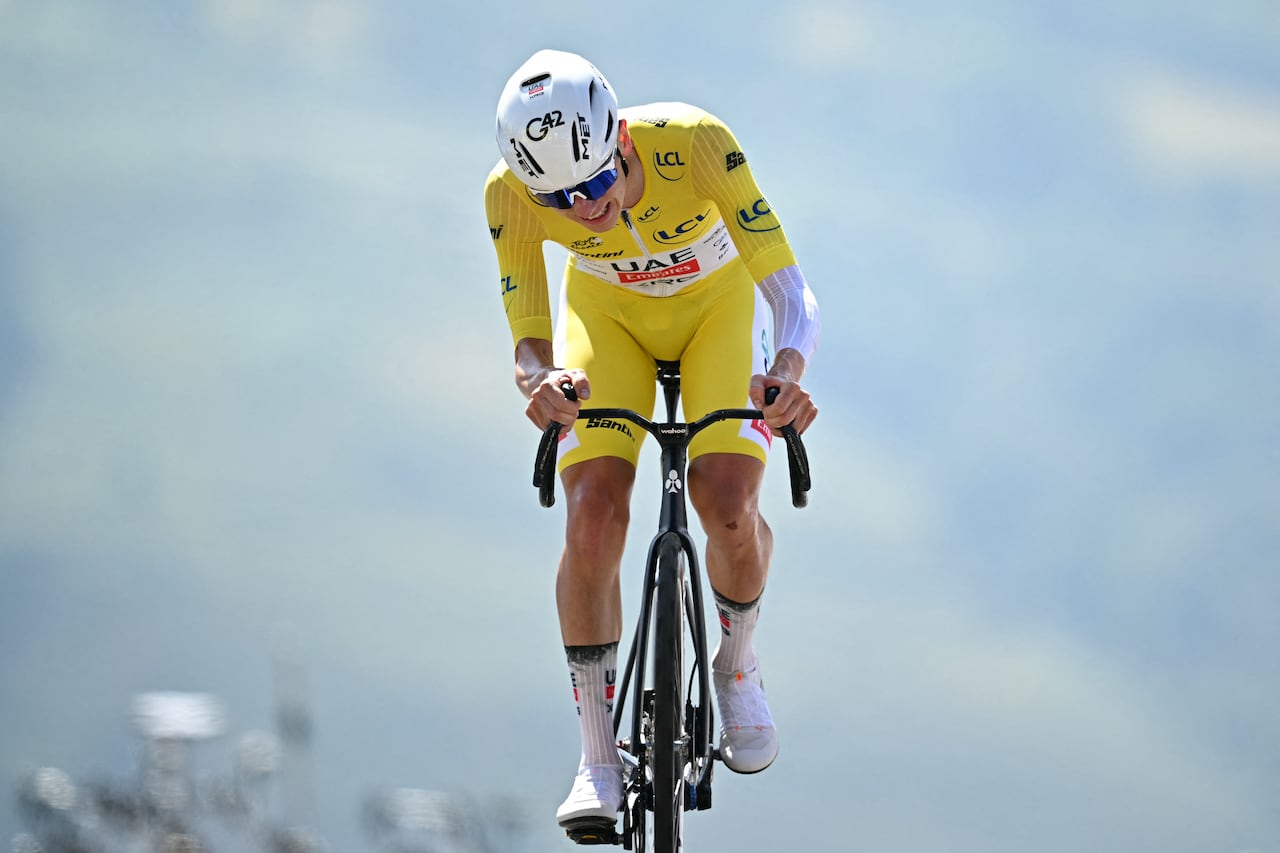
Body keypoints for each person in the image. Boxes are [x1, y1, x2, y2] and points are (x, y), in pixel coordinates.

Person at [484, 49, 821, 831]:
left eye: (598, 182)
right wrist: (537, 381)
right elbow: (530, 338)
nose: (586, 207)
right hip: (610, 325)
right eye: (562, 200)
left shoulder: (694, 143)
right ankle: (598, 757)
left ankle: (736, 667)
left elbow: (789, 290)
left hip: (718, 312)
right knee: (592, 518)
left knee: (727, 499)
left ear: (625, 144)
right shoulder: (509, 193)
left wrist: (792, 370)